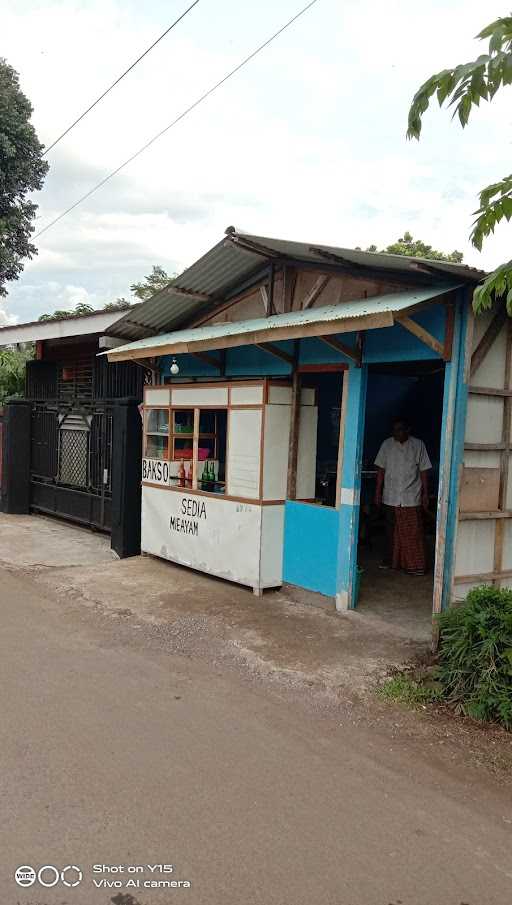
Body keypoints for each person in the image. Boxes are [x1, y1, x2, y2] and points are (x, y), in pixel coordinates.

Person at [374, 418, 432, 576]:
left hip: (411, 497)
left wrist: (426, 494)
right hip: (390, 496)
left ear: (408, 430)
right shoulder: (386, 445)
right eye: (394, 430)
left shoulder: (418, 445)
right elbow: (381, 471)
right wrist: (377, 493)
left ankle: (413, 565)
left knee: (413, 533)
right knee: (390, 532)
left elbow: (424, 471)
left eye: (399, 429)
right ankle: (391, 562)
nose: (396, 433)